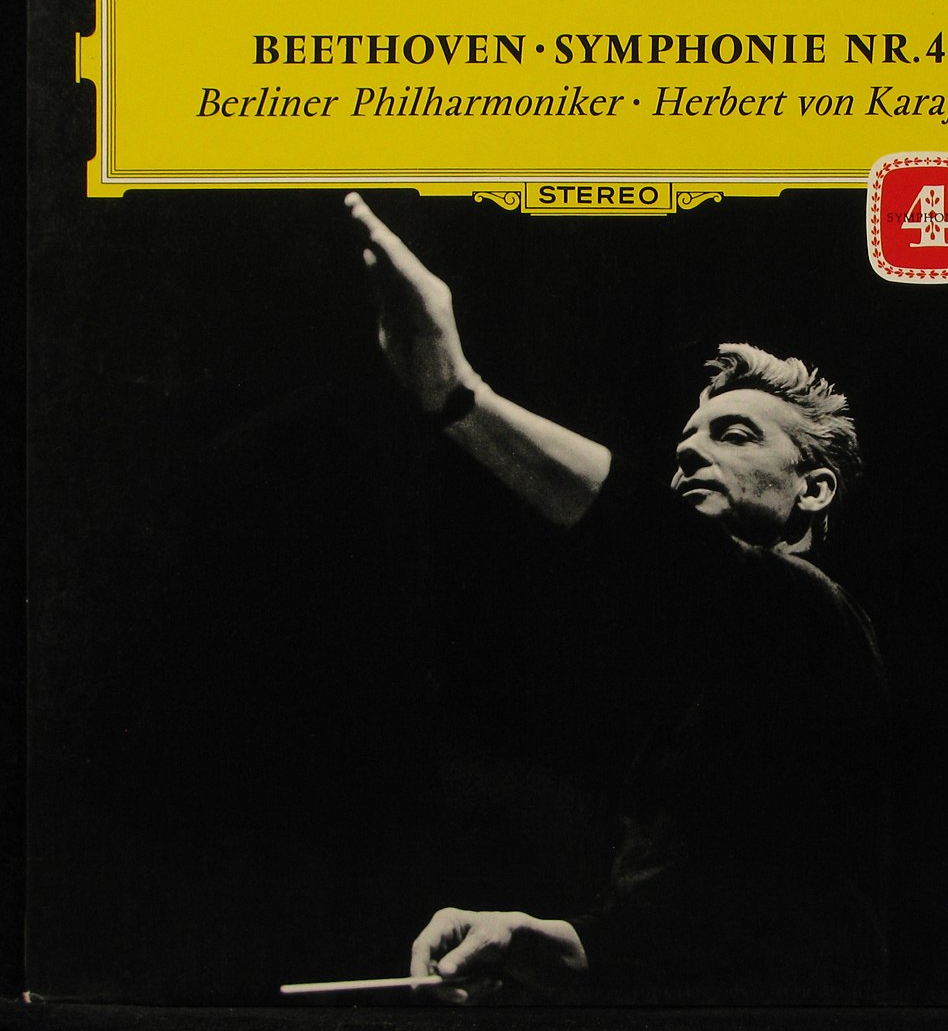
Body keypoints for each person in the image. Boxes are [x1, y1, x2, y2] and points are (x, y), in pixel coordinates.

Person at [346, 192, 889, 1006]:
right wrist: (529, 938)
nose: (690, 456)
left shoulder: (813, 618)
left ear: (812, 488)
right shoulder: (706, 692)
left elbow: (644, 533)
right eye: (684, 445)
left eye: (734, 434)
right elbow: (679, 937)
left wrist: (458, 396)